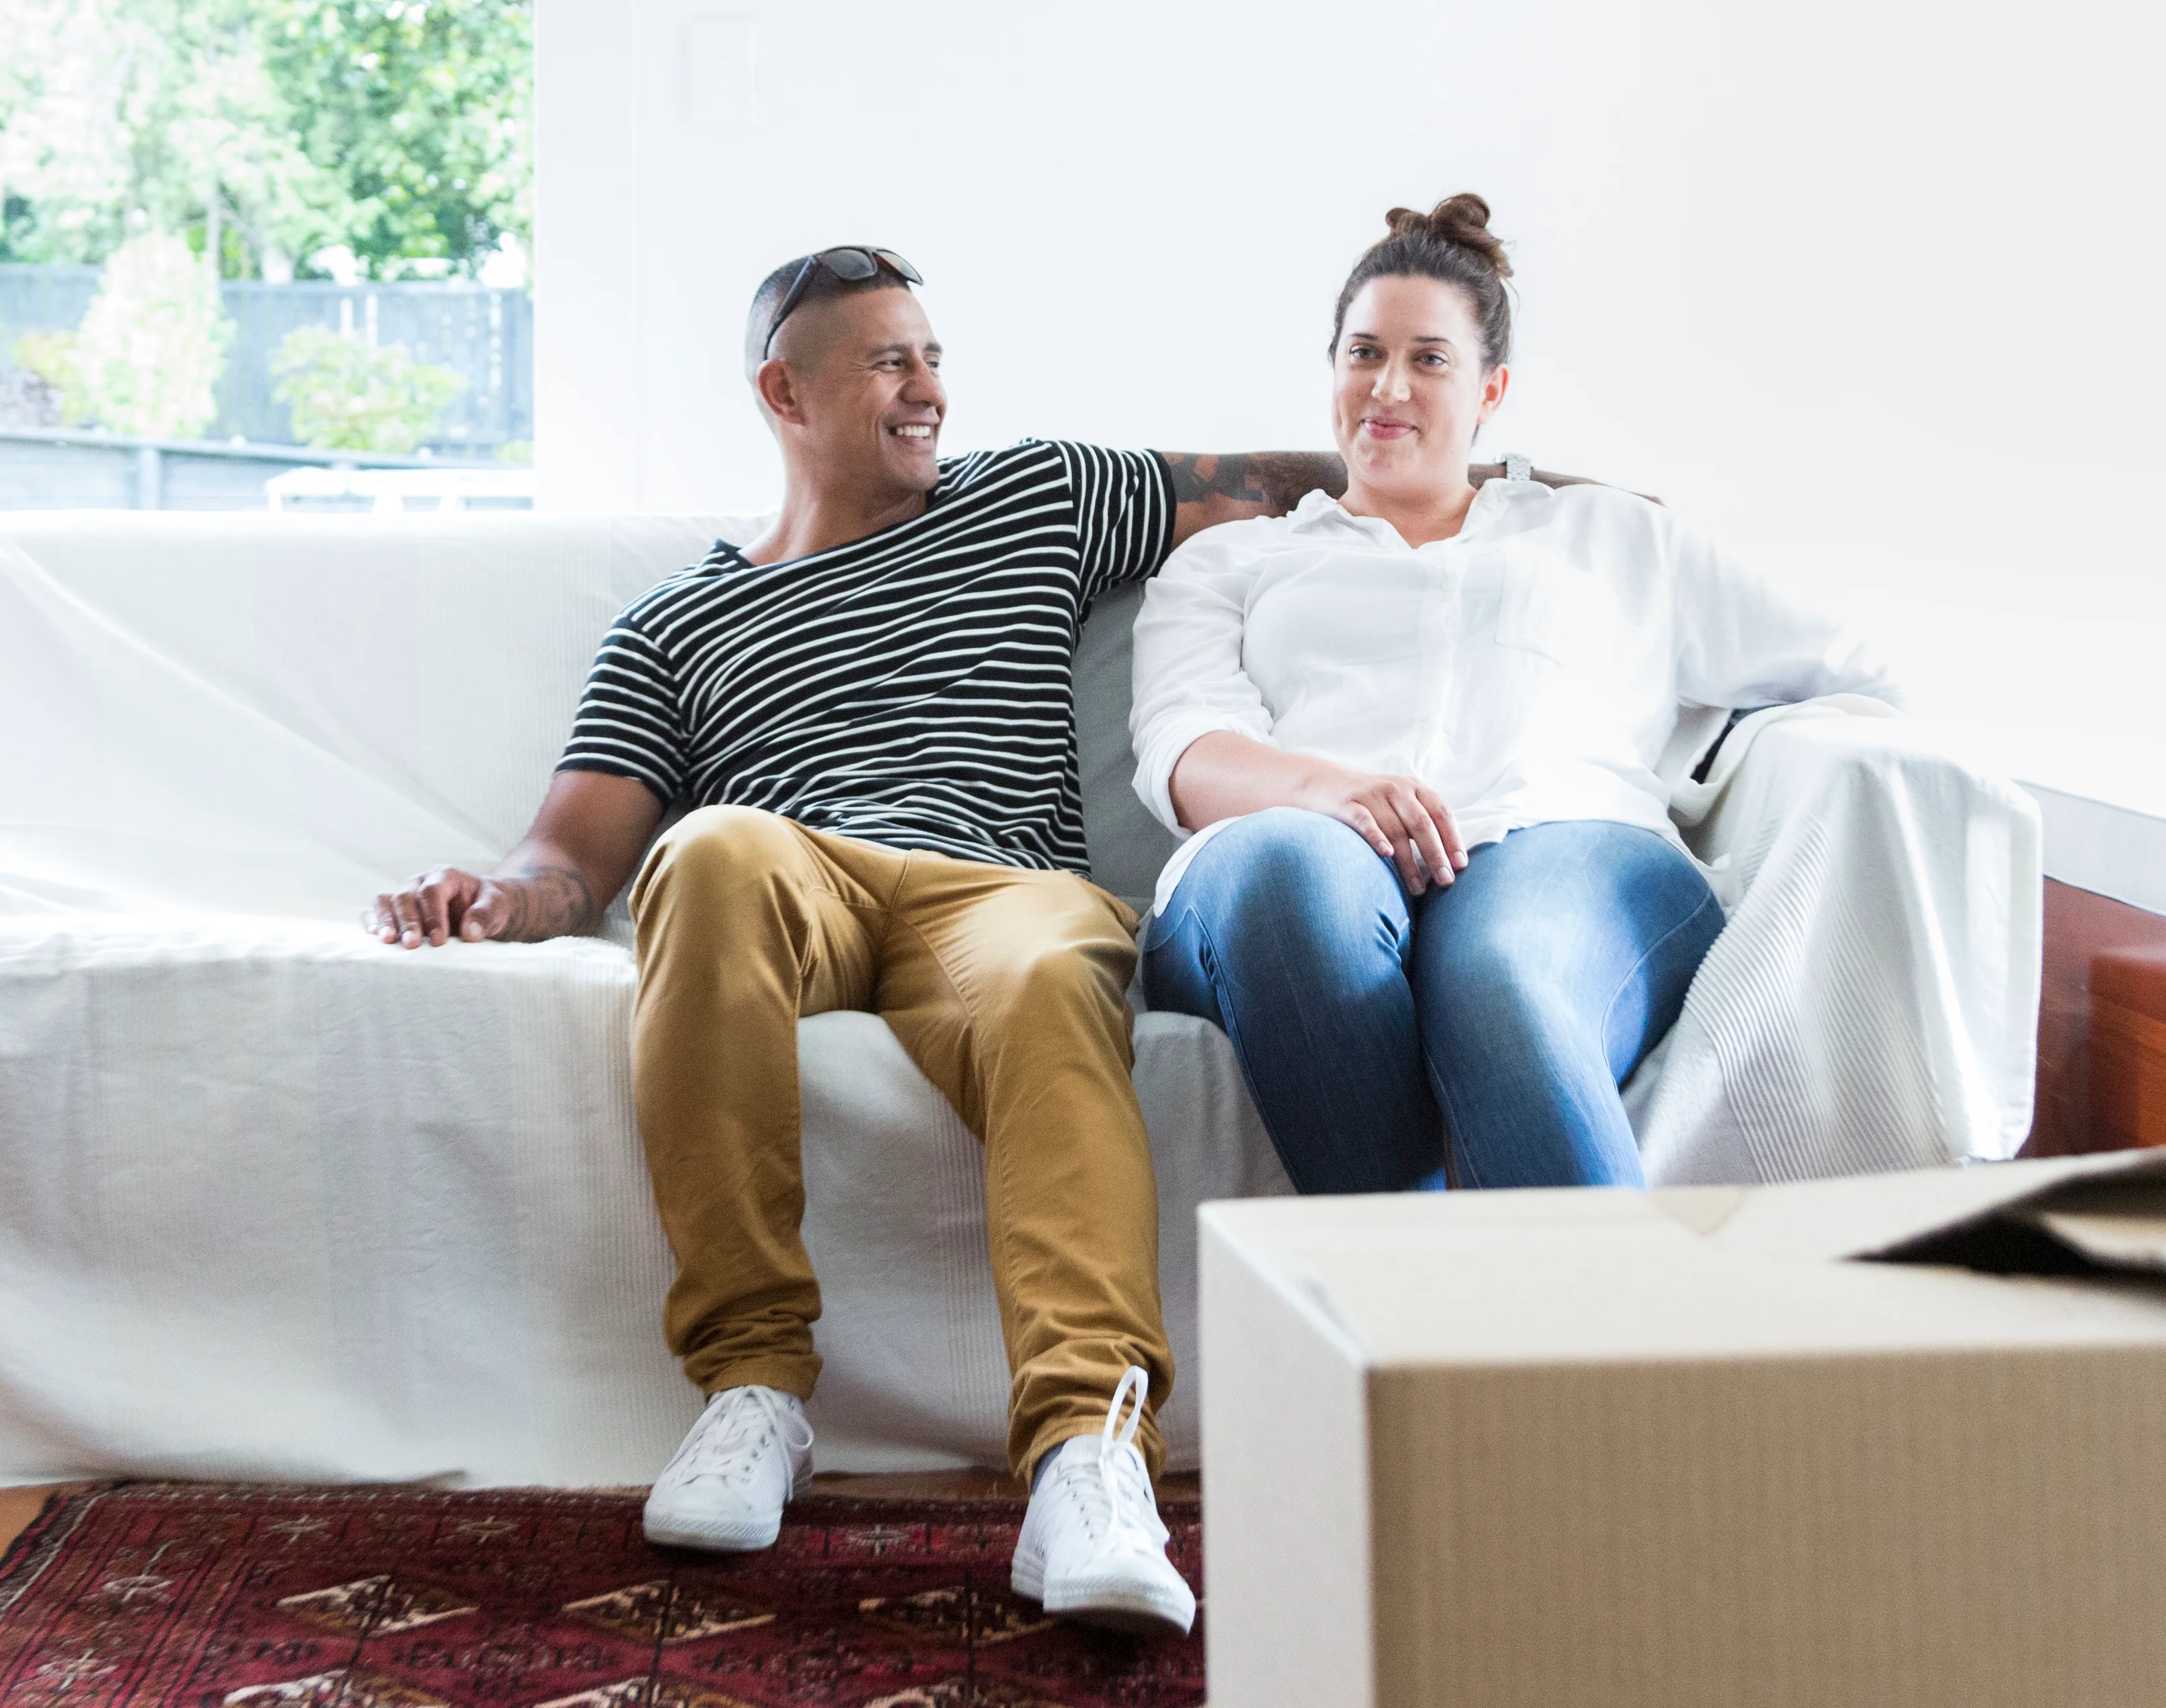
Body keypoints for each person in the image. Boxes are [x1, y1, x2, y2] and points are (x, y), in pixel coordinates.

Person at [365, 243, 1488, 1634]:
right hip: (801, 875)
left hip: (1003, 891)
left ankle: (1088, 1451)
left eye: (935, 356)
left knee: (1043, 977)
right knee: (707, 848)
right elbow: (565, 859)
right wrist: (489, 897)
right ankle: (754, 1389)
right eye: (890, 361)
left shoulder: (1039, 495)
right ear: (786, 389)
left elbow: (1273, 477)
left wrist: (1526, 494)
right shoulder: (673, 629)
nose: (928, 389)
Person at [1128, 198, 1899, 1197]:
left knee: (1506, 975)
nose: (1387, 388)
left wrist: (1719, 762)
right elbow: (1183, 746)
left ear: (1491, 389)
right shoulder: (1235, 560)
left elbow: (1858, 674)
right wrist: (1330, 793)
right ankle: (1446, 1306)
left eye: (1429, 360)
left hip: (1561, 846)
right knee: (1290, 875)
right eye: (1363, 353)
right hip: (1297, 856)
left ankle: (1495, 1336)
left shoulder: (1612, 538)